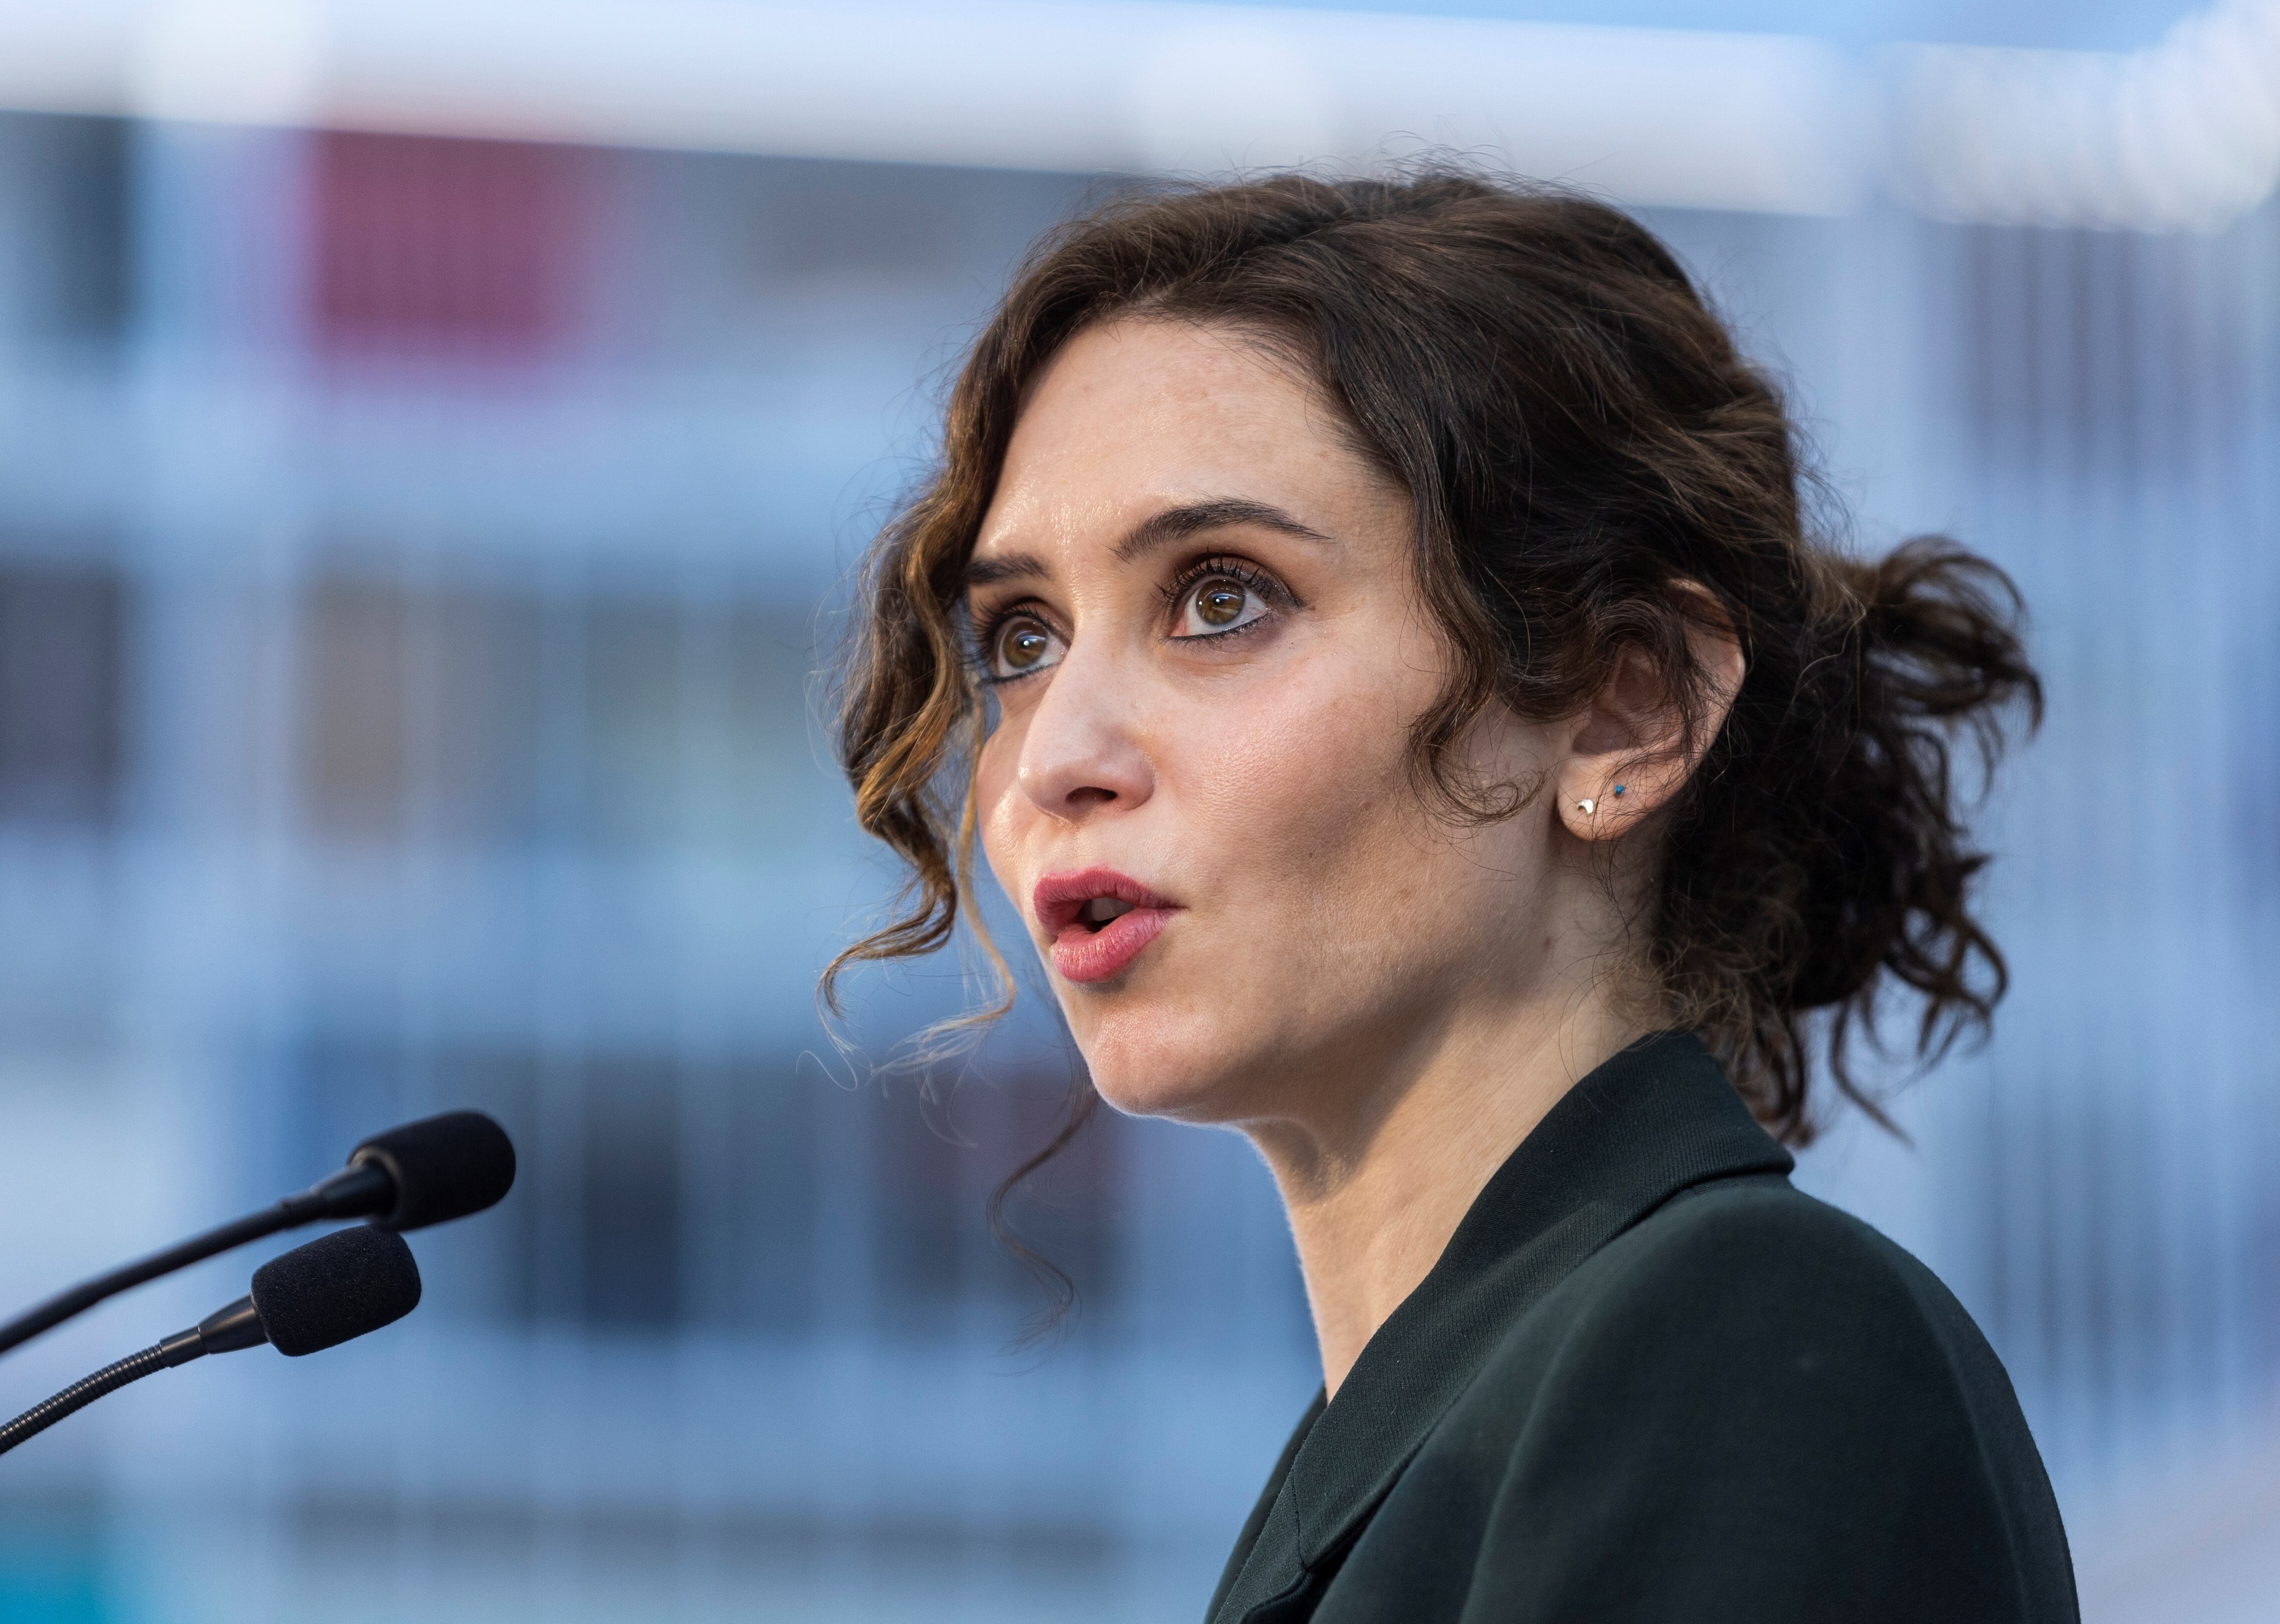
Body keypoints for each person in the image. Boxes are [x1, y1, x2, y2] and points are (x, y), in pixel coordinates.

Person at [830, 171, 2073, 1623]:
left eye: (1222, 597)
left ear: (1629, 711)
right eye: (1023, 638)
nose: (1053, 757)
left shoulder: (1739, 1332)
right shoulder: (1432, 1444)